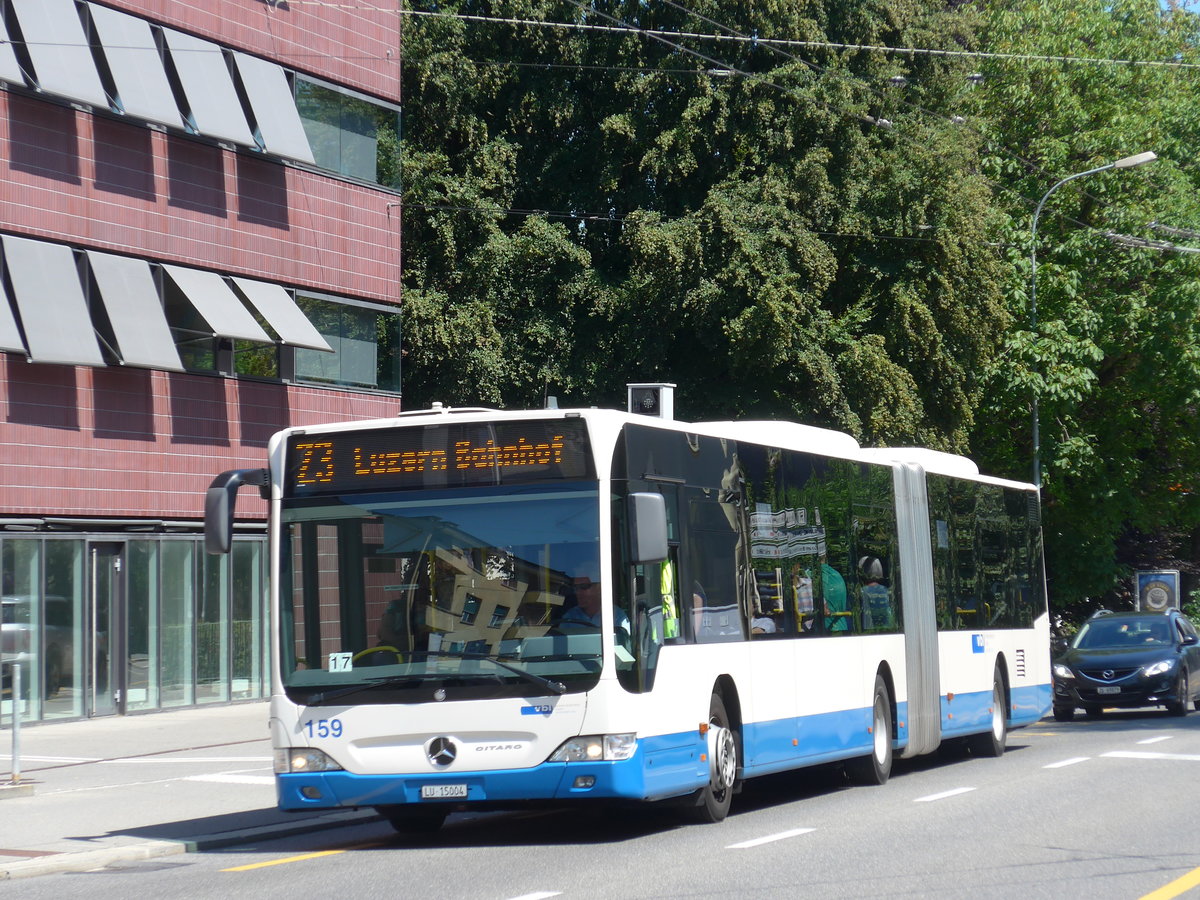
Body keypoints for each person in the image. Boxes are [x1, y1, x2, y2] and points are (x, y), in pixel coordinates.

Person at [559, 576, 630, 638]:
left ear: (599, 588)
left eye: (584, 587)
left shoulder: (616, 616)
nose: (578, 592)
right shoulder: (569, 617)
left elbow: (624, 645)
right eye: (576, 588)